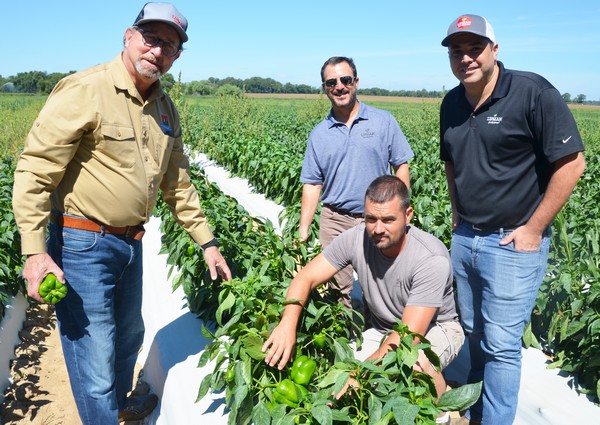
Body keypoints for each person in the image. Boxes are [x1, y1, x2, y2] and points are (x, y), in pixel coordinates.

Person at [12, 3, 232, 424]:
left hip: (131, 243)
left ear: (177, 56)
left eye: (169, 45)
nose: (158, 50)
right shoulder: (86, 89)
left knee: (129, 338)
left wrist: (207, 242)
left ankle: (114, 408)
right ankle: (102, 411)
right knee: (93, 356)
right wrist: (36, 252)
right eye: (151, 38)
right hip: (82, 243)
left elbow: (178, 183)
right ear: (129, 37)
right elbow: (35, 170)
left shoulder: (165, 108)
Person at [439, 14, 586, 425]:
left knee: (502, 345)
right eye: (456, 51)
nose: (466, 58)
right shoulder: (450, 102)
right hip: (467, 237)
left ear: (494, 50)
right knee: (473, 331)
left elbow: (572, 164)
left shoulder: (532, 92)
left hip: (511, 243)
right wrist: (456, 216)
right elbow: (451, 163)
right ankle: (476, 409)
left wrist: (534, 229)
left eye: (475, 48)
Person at [264, 175, 464, 425]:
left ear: (408, 215)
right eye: (371, 219)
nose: (378, 228)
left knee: (416, 364)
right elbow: (306, 277)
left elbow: (408, 338)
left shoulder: (430, 257)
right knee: (340, 374)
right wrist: (287, 323)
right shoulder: (357, 238)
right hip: (383, 329)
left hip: (434, 329)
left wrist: (361, 372)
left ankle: (441, 414)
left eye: (388, 219)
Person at [299, 56, 414, 307]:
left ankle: (380, 332)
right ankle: (346, 336)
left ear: (356, 82)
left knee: (382, 281)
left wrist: (400, 211)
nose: (339, 86)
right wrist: (303, 229)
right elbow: (312, 184)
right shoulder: (319, 134)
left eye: (345, 80)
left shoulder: (383, 121)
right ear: (325, 89)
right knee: (337, 288)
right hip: (334, 219)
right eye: (331, 83)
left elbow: (401, 165)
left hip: (376, 220)